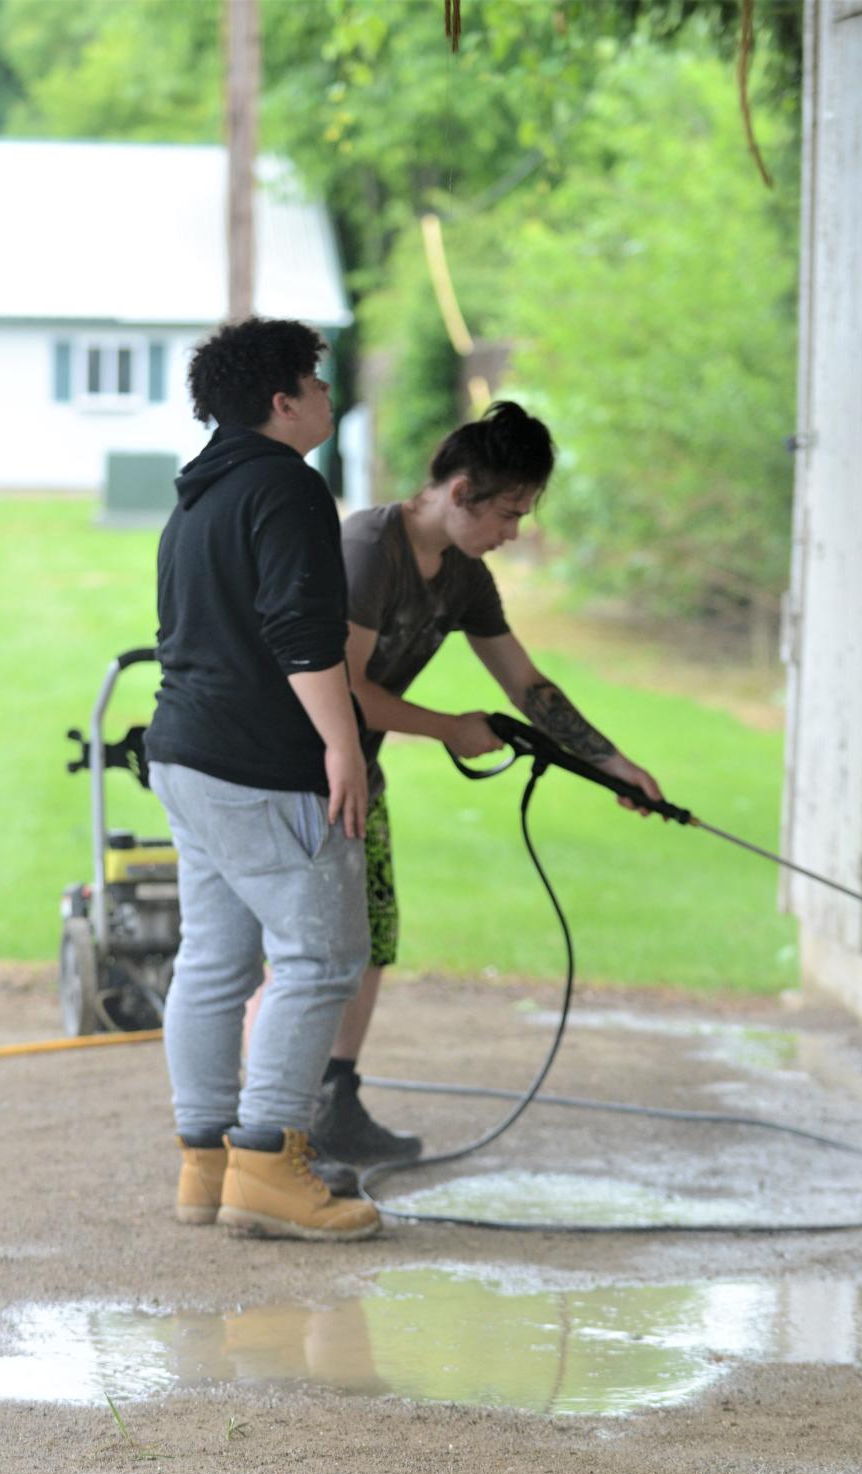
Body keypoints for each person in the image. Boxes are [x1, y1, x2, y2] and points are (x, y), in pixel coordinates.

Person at [310, 401, 664, 1165]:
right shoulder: (370, 549)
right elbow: (339, 689)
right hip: (299, 771)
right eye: (509, 512)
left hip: (359, 772)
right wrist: (447, 726)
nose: (514, 532)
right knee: (311, 948)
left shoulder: (464, 576)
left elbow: (524, 683)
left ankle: (334, 1100)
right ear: (461, 491)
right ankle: (282, 1125)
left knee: (369, 937)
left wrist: (612, 764)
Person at [144, 317, 379, 1242]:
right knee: (321, 956)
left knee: (214, 959)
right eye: (316, 384)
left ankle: (208, 1165)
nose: (328, 396)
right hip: (258, 762)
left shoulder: (197, 498)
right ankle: (272, 1166)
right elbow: (299, 630)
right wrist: (343, 745)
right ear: (283, 403)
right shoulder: (286, 485)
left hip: (185, 755)